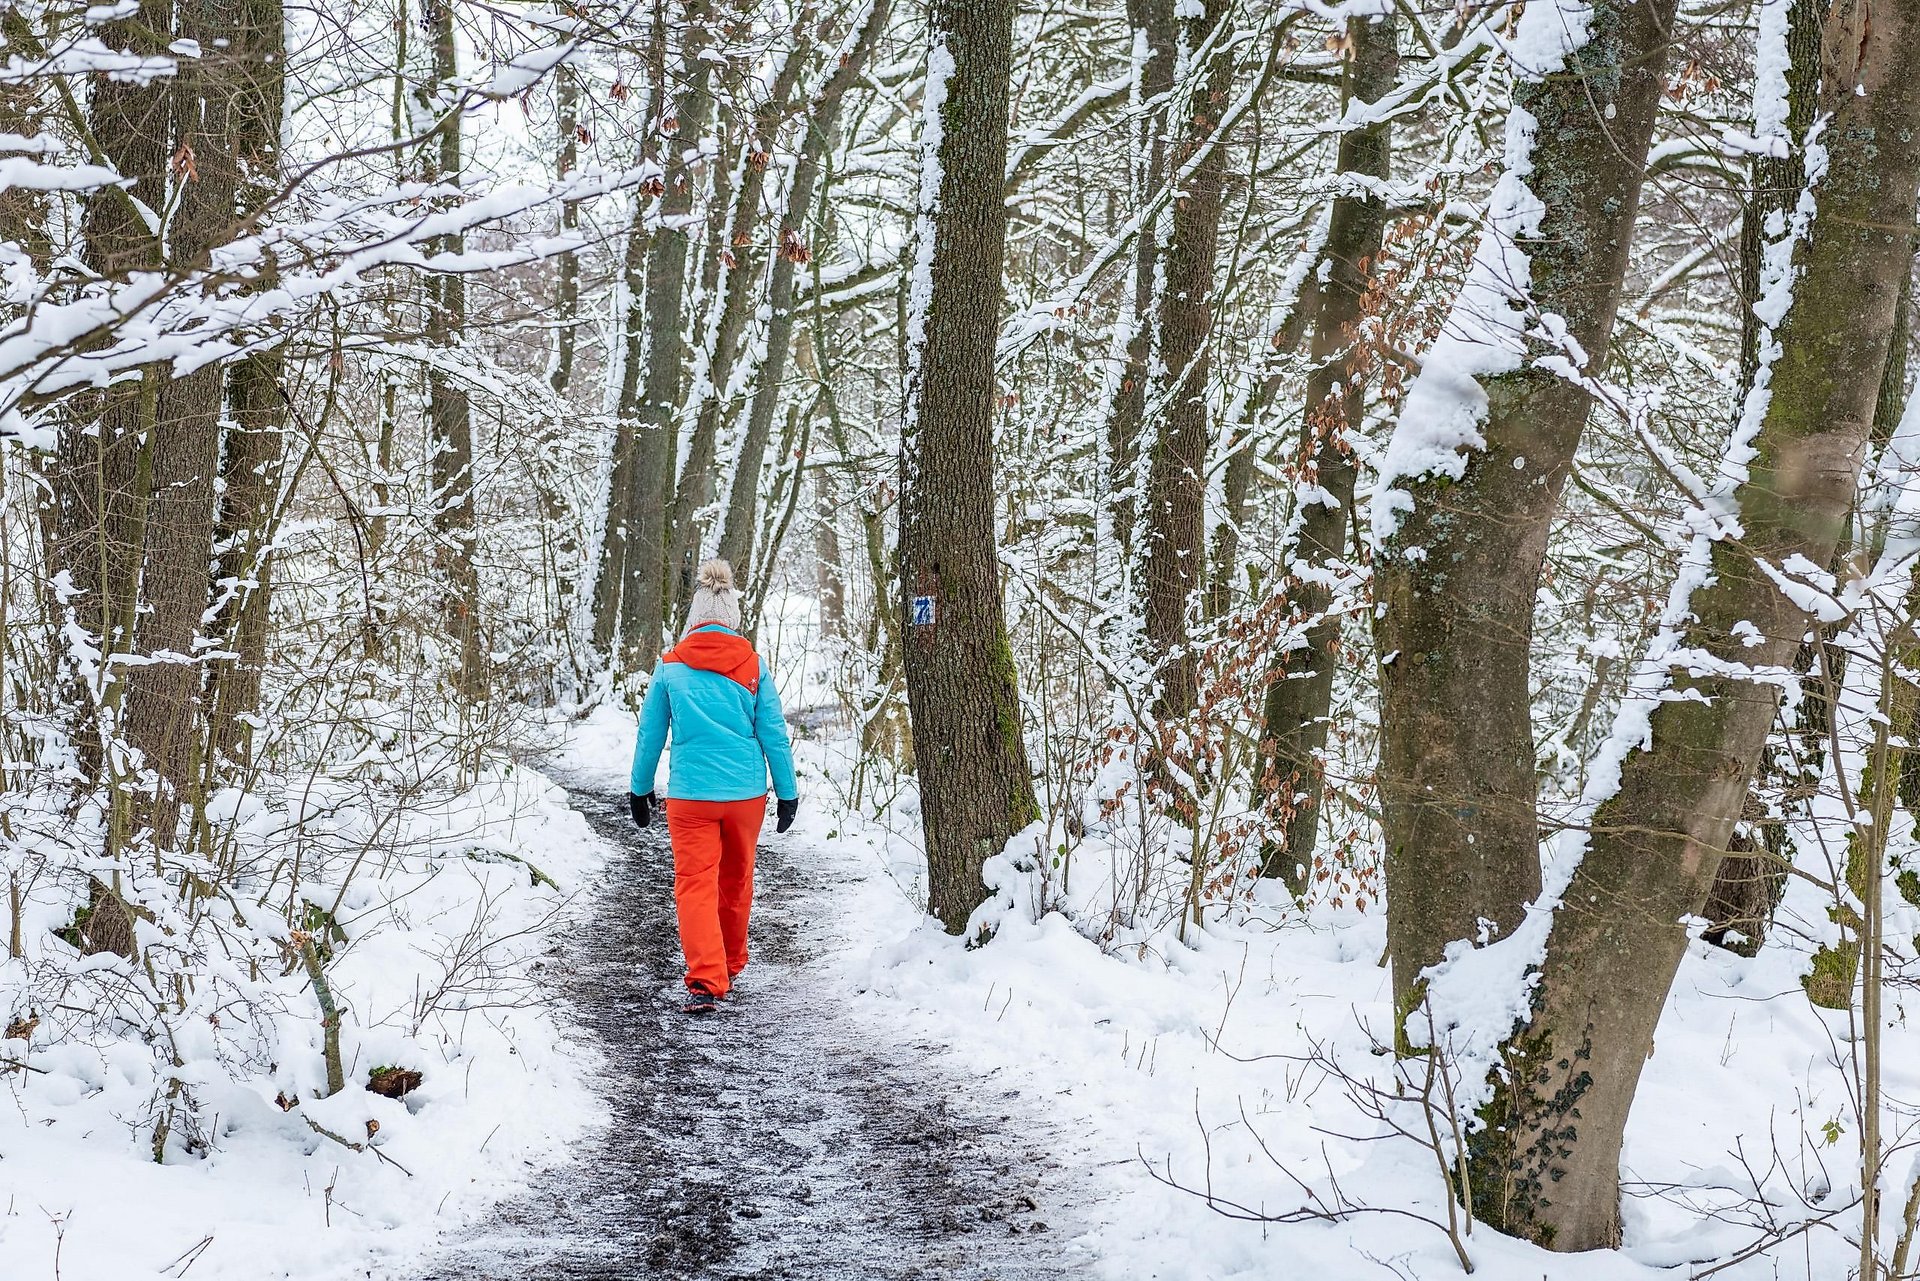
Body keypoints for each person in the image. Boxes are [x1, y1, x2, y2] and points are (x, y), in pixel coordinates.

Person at [629, 560, 798, 1014]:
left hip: (691, 797)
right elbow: (774, 733)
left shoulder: (670, 667)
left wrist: (639, 789)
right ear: (731, 619)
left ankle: (707, 978)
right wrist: (787, 792)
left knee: (695, 883)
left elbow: (651, 734)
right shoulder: (753, 665)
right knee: (737, 879)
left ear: (694, 618)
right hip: (746, 794)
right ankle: (733, 961)